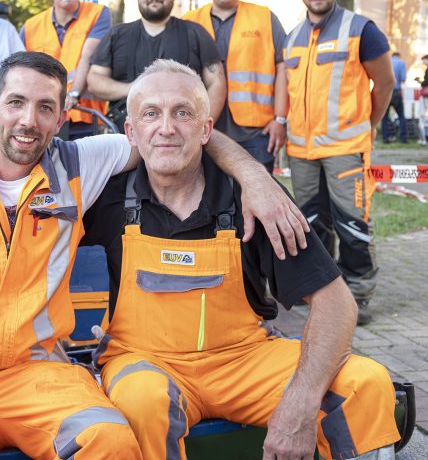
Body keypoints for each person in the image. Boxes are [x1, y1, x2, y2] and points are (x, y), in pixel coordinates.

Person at [0, 51, 309, 460]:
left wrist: (255, 176)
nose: (28, 120)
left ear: (60, 119)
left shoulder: (82, 163)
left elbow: (177, 135)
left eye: (45, 108)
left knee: (111, 442)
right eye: (16, 103)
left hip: (37, 379)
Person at [84, 58, 399, 460]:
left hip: (244, 362)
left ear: (206, 130)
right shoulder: (103, 195)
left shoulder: (257, 201)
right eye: (151, 114)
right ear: (131, 132)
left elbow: (336, 304)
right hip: (144, 363)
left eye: (183, 113)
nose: (166, 128)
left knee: (364, 382)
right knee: (142, 403)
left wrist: (300, 405)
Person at [284, 0, 394, 325]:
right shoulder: (293, 36)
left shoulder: (361, 29)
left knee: (352, 222)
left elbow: (386, 83)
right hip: (301, 150)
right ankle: (321, 288)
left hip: (346, 148)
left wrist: (369, 124)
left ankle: (358, 293)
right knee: (312, 223)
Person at [87, 0, 225, 131]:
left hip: (182, 136)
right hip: (125, 137)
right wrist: (133, 88)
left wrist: (201, 128)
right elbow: (94, 80)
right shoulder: (116, 35)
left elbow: (217, 82)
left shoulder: (195, 33)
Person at [184, 0, 288, 172]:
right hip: (202, 128)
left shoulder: (265, 17)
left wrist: (280, 118)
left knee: (256, 199)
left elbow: (283, 69)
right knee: (207, 200)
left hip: (256, 133)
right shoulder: (188, 21)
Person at [21, 0, 112, 139]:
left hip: (85, 116)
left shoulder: (98, 14)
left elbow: (87, 56)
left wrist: (73, 94)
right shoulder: (30, 26)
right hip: (42, 120)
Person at [382, 52, 408, 143]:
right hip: (396, 92)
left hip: (385, 92)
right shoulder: (401, 63)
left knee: (384, 117)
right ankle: (403, 138)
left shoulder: (385, 63)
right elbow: (403, 78)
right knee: (401, 116)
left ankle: (385, 138)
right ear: (399, 56)